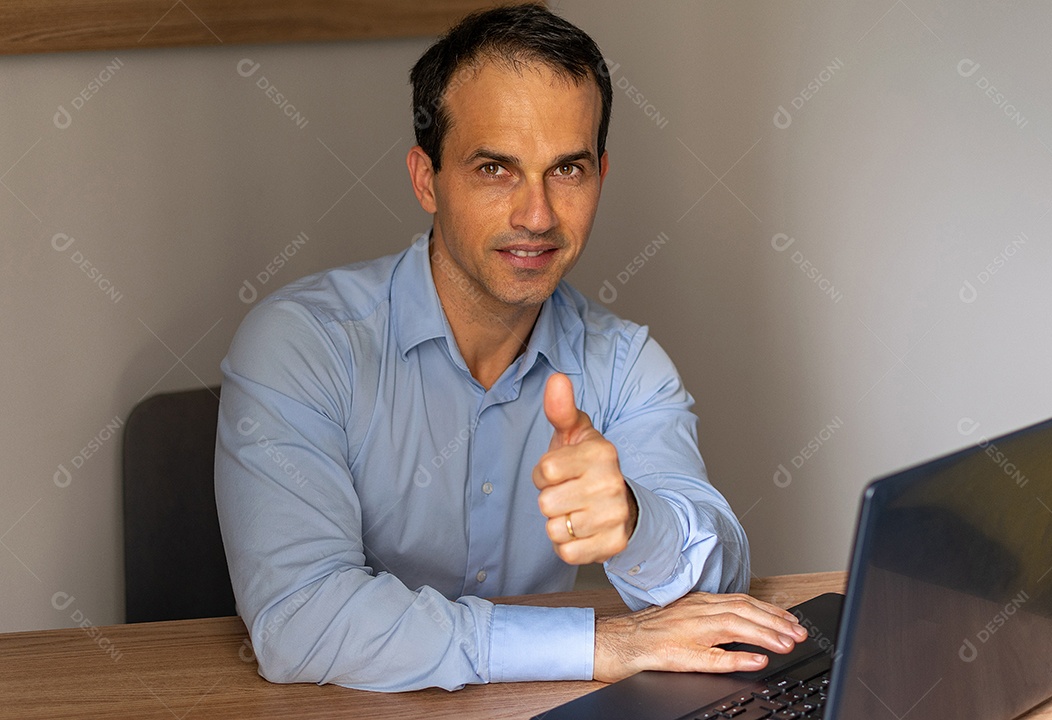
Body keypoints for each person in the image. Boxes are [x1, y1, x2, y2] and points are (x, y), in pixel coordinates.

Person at [215, 3, 806, 693]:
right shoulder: (300, 346)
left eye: (568, 170)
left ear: (601, 176)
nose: (538, 215)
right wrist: (600, 645)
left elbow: (722, 575)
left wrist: (638, 521)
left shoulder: (624, 363)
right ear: (425, 178)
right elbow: (302, 621)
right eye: (496, 169)